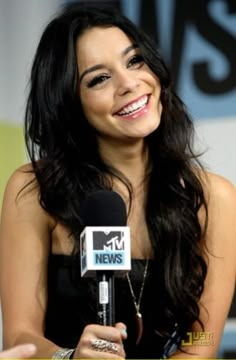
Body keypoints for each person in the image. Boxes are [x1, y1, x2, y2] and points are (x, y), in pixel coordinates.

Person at [0, 3, 235, 359]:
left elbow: (200, 343)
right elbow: (20, 338)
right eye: (99, 79)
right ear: (69, 102)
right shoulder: (34, 190)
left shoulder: (214, 197)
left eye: (135, 61)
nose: (129, 84)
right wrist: (70, 357)